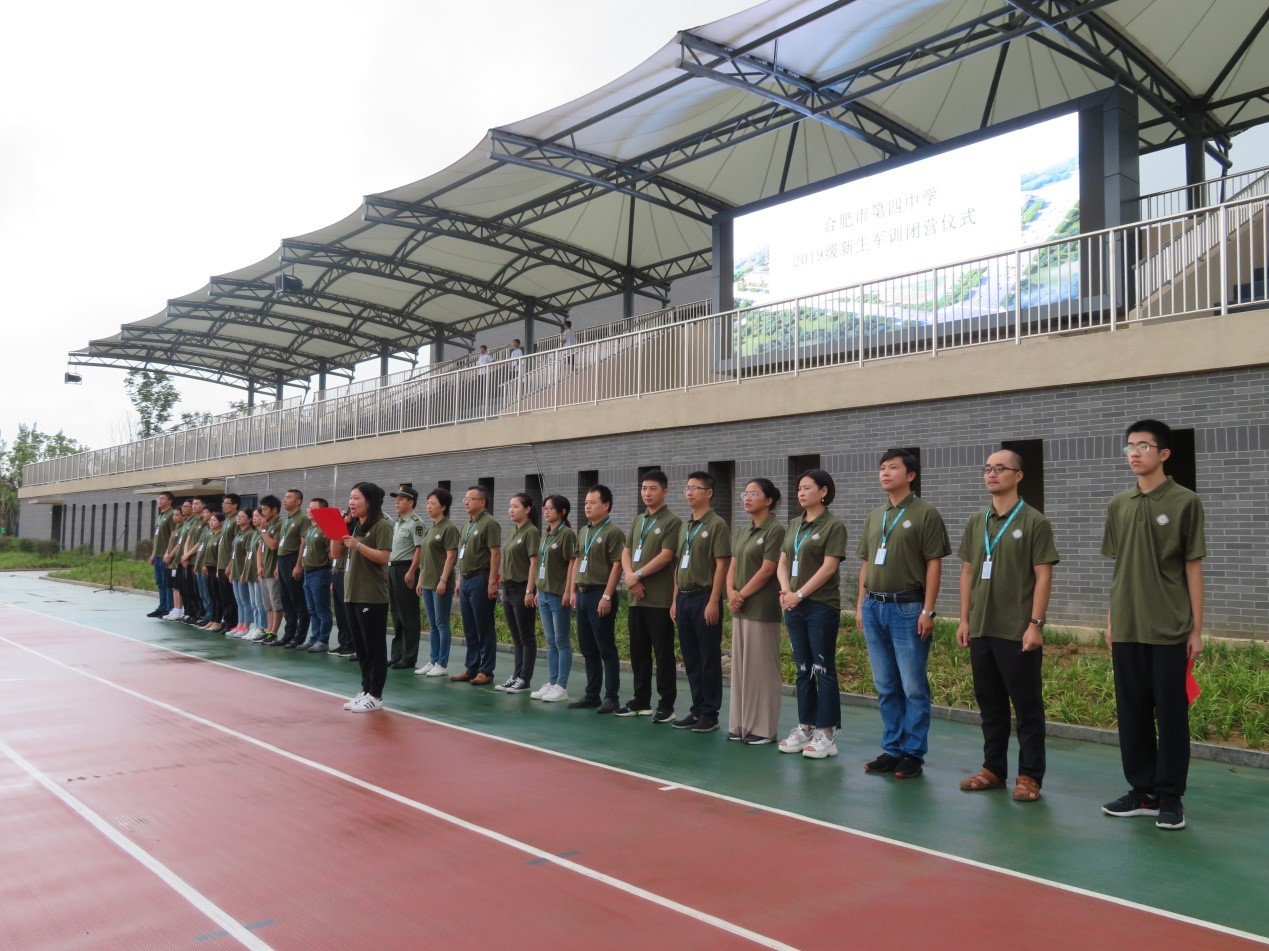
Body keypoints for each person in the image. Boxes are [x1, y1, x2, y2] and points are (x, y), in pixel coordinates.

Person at [1100, 419, 1206, 831]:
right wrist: (1111, 620)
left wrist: (1195, 629)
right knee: (1132, 713)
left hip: (1169, 628)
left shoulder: (1184, 502)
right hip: (1127, 627)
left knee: (1172, 715)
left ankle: (1170, 797)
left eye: (1144, 446)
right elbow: (1119, 570)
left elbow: (1193, 568)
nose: (1134, 453)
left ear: (1163, 454)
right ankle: (1141, 791)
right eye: (1129, 446)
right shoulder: (1118, 504)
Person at [955, 451, 1059, 802]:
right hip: (982, 627)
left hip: (1017, 630)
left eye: (1000, 468)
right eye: (987, 468)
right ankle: (993, 769)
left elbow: (1043, 576)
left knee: (1027, 706)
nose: (992, 474)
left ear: (1019, 475)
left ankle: (1029, 776)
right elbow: (968, 570)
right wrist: (965, 619)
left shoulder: (1033, 521)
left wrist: (1035, 624)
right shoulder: (977, 521)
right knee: (991, 705)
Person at [856, 449, 951, 779]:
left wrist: (928, 609)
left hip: (909, 607)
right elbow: (866, 562)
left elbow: (934, 563)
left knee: (912, 685)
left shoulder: (925, 513)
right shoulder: (876, 515)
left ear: (910, 475)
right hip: (874, 606)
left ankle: (913, 752)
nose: (885, 473)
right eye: (882, 468)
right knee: (885, 685)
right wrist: (860, 604)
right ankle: (892, 748)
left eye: (892, 468)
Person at [777, 470, 848, 758]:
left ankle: (827, 733)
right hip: (793, 604)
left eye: (807, 488)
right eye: (799, 488)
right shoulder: (794, 524)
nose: (801, 493)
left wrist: (800, 594)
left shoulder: (833, 526)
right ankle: (805, 726)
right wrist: (785, 591)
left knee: (822, 668)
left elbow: (829, 567)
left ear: (824, 492)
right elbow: (783, 561)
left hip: (820, 606)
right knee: (802, 668)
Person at [670, 471, 732, 733]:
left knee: (708, 658)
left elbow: (722, 564)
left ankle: (710, 713)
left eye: (695, 488)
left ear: (709, 493)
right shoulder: (685, 526)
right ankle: (697, 709)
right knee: (691, 658)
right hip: (683, 599)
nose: (689, 492)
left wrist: (714, 600)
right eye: (687, 488)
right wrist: (674, 600)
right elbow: (678, 565)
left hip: (704, 597)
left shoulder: (717, 525)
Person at [618, 469, 682, 721]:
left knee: (663, 652)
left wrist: (638, 575)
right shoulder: (638, 520)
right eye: (644, 489)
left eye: (652, 489)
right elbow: (626, 550)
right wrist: (630, 576)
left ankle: (666, 704)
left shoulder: (672, 522)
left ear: (665, 491)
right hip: (636, 598)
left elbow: (667, 556)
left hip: (659, 599)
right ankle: (640, 700)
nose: (647, 493)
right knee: (638, 652)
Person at [727, 478, 786, 745]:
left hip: (761, 607)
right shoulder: (743, 531)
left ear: (769, 500)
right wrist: (730, 592)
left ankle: (763, 729)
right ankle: (740, 724)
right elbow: (733, 563)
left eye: (754, 493)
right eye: (745, 493)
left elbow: (767, 569)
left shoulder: (775, 530)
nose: (747, 498)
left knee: (762, 670)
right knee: (741, 668)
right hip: (740, 608)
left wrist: (742, 594)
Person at [569, 485, 626, 714]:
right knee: (587, 647)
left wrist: (607, 595)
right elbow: (577, 560)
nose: (588, 506)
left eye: (593, 502)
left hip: (599, 593)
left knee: (605, 648)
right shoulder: (584, 531)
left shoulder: (613, 533)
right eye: (586, 503)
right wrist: (573, 591)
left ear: (607, 505)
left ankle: (611, 696)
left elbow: (617, 565)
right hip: (582, 594)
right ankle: (592, 694)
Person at [338, 482, 393, 712]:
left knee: (374, 648)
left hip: (371, 596)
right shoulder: (354, 527)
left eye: (357, 498)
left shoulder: (382, 525)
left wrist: (358, 545)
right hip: (352, 594)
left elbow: (383, 557)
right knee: (360, 648)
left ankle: (376, 695)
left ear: (369, 501)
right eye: (350, 498)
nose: (352, 502)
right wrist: (337, 529)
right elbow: (335, 553)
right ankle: (365, 689)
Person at [451, 485, 502, 685]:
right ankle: (471, 667)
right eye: (465, 498)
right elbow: (461, 554)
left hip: (481, 578)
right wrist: (459, 579)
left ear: (482, 502)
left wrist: (492, 581)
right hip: (466, 579)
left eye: (471, 498)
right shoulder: (467, 524)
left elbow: (495, 553)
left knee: (484, 626)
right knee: (469, 626)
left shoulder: (490, 523)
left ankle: (486, 670)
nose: (466, 501)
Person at [532, 495, 578, 702]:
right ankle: (551, 682)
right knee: (550, 641)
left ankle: (562, 685)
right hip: (543, 593)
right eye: (545, 507)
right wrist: (535, 590)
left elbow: (572, 563)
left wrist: (569, 590)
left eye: (551, 508)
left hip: (559, 594)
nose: (546, 511)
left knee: (561, 640)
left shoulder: (566, 534)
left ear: (563, 512)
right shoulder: (546, 534)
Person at [498, 493, 541, 692]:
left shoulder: (531, 532)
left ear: (527, 509)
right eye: (510, 506)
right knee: (516, 637)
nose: (511, 509)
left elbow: (534, 562)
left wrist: (530, 590)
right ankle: (516, 675)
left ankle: (525, 678)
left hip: (522, 588)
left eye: (515, 506)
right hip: (508, 588)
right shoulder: (513, 532)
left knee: (526, 636)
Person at [416, 489, 459, 676]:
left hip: (440, 583)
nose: (428, 506)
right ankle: (433, 659)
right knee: (432, 624)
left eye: (432, 503)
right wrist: (420, 579)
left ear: (443, 506)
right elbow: (425, 557)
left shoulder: (448, 528)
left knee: (442, 623)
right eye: (427, 503)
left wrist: (443, 580)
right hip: (427, 582)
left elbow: (451, 557)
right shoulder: (431, 528)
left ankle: (442, 663)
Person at [387, 484, 426, 669]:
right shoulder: (398, 522)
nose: (397, 501)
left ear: (411, 502)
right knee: (396, 612)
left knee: (408, 613)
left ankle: (409, 656)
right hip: (393, 568)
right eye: (397, 498)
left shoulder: (416, 522)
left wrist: (411, 571)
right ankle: (397, 654)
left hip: (406, 569)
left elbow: (419, 549)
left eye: (401, 498)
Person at [274, 489, 311, 648]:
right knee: (286, 600)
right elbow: (281, 545)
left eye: (289, 497)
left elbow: (303, 542)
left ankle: (299, 636)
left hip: (293, 559)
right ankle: (288, 634)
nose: (285, 500)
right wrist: (277, 565)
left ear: (298, 501)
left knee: (298, 601)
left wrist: (298, 565)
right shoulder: (286, 520)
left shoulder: (302, 519)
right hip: (282, 561)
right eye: (284, 497)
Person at [300, 497, 334, 652]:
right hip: (308, 573)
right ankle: (314, 638)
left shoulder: (326, 529)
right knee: (312, 609)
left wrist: (330, 573)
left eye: (313, 508)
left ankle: (323, 640)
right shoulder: (310, 529)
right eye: (309, 507)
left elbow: (331, 554)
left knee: (322, 609)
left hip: (320, 572)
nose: (309, 510)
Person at [256, 495, 284, 643]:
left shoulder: (279, 524)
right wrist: (259, 566)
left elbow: (274, 545)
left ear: (274, 509)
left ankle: (274, 632)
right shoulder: (267, 525)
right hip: (265, 570)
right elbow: (260, 548)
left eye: (265, 509)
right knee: (268, 605)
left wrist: (264, 531)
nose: (263, 512)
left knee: (276, 603)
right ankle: (268, 630)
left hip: (273, 569)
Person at [331, 509, 357, 659]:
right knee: (340, 611)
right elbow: (334, 553)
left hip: (347, 572)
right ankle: (343, 642)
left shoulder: (354, 532)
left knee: (348, 611)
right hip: (338, 571)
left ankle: (351, 643)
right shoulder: (342, 532)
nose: (345, 517)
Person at [148, 490, 176, 618]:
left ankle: (169, 607)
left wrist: (168, 552)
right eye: (159, 498)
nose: (160, 501)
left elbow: (173, 535)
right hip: (158, 554)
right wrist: (153, 553)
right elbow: (157, 537)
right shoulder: (160, 515)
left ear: (170, 501)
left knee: (166, 582)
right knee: (159, 582)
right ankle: (162, 606)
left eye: (163, 498)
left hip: (166, 555)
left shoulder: (171, 515)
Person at [216, 493, 241, 632]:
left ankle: (233, 622)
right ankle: (227, 621)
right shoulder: (226, 520)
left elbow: (236, 545)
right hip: (221, 563)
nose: (224, 505)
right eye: (223, 503)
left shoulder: (237, 521)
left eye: (227, 503)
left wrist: (230, 564)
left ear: (235, 505)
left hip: (229, 564)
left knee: (231, 596)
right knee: (224, 595)